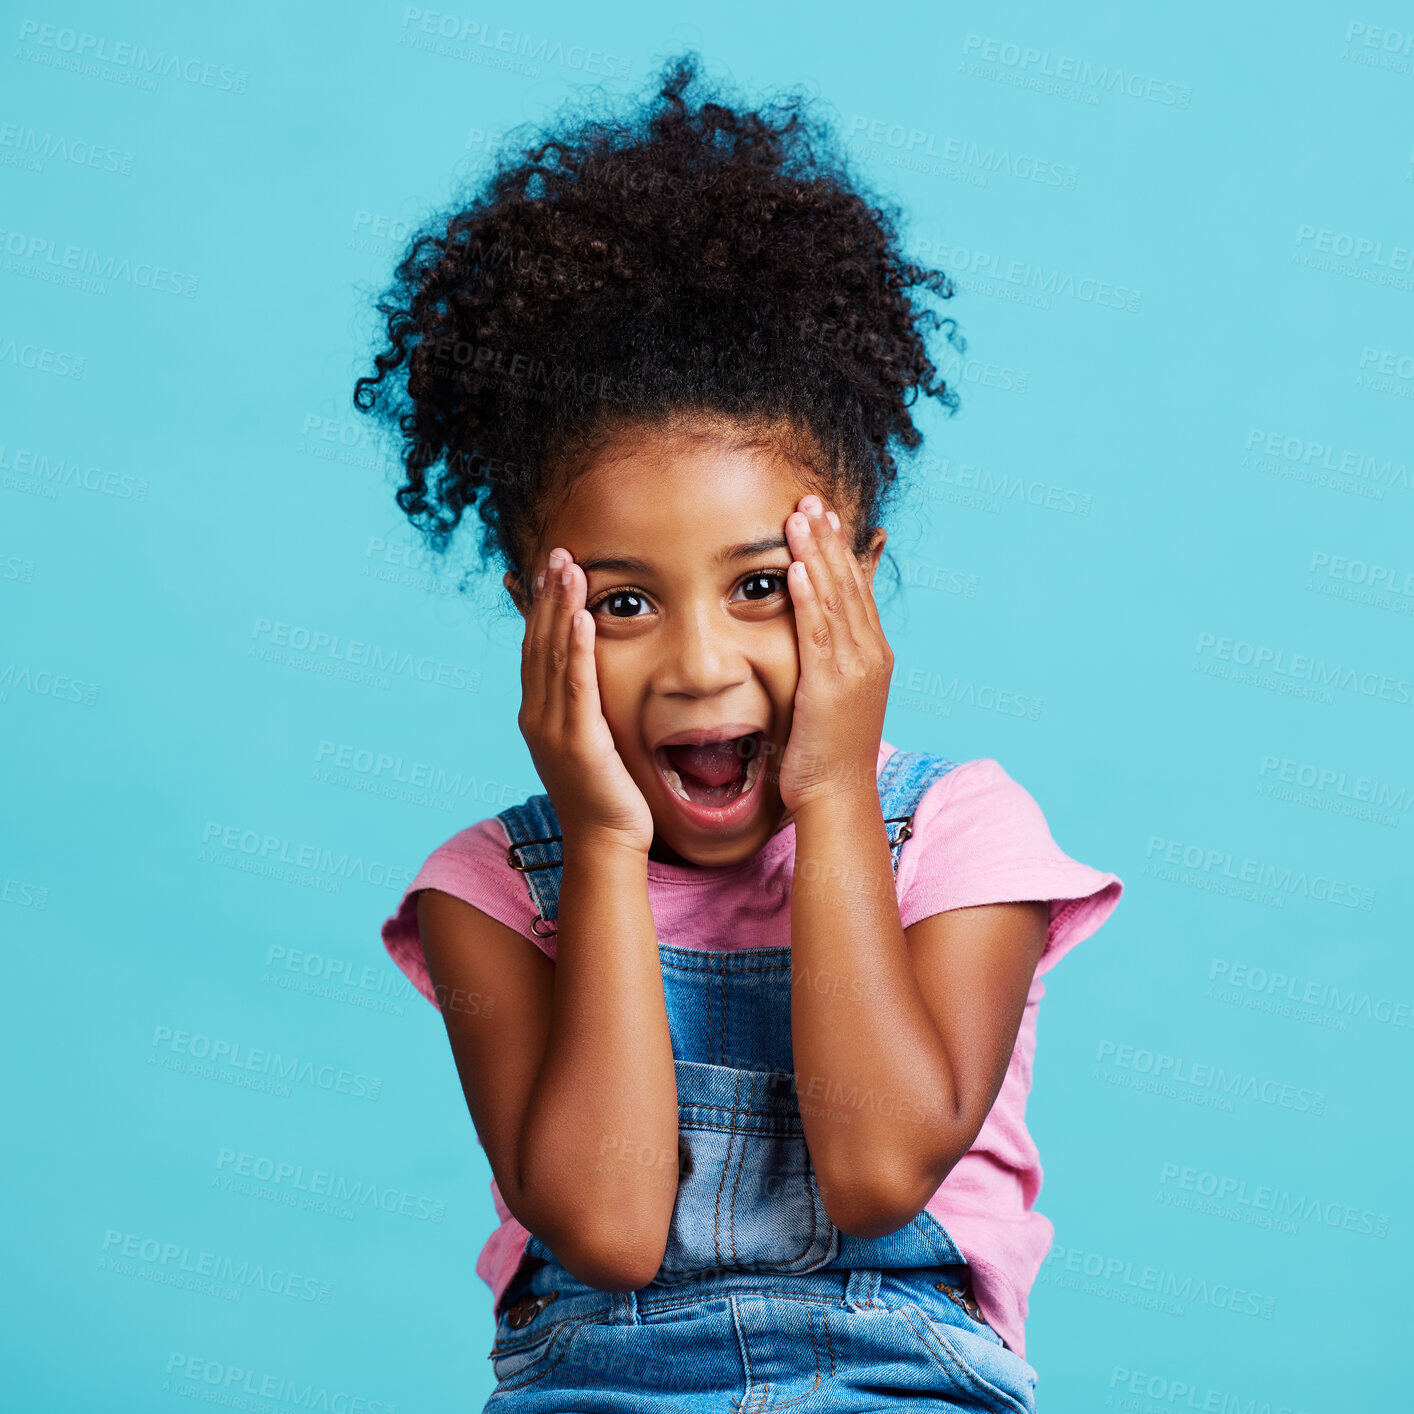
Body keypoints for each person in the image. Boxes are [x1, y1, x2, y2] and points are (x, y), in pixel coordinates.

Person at [357, 52, 1122, 1412]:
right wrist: (599, 844)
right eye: (625, 601)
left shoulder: (958, 836)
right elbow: (604, 1226)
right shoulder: (488, 893)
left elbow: (880, 1168)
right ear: (536, 615)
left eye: (761, 586)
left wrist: (833, 799)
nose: (701, 664)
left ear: (859, 584)